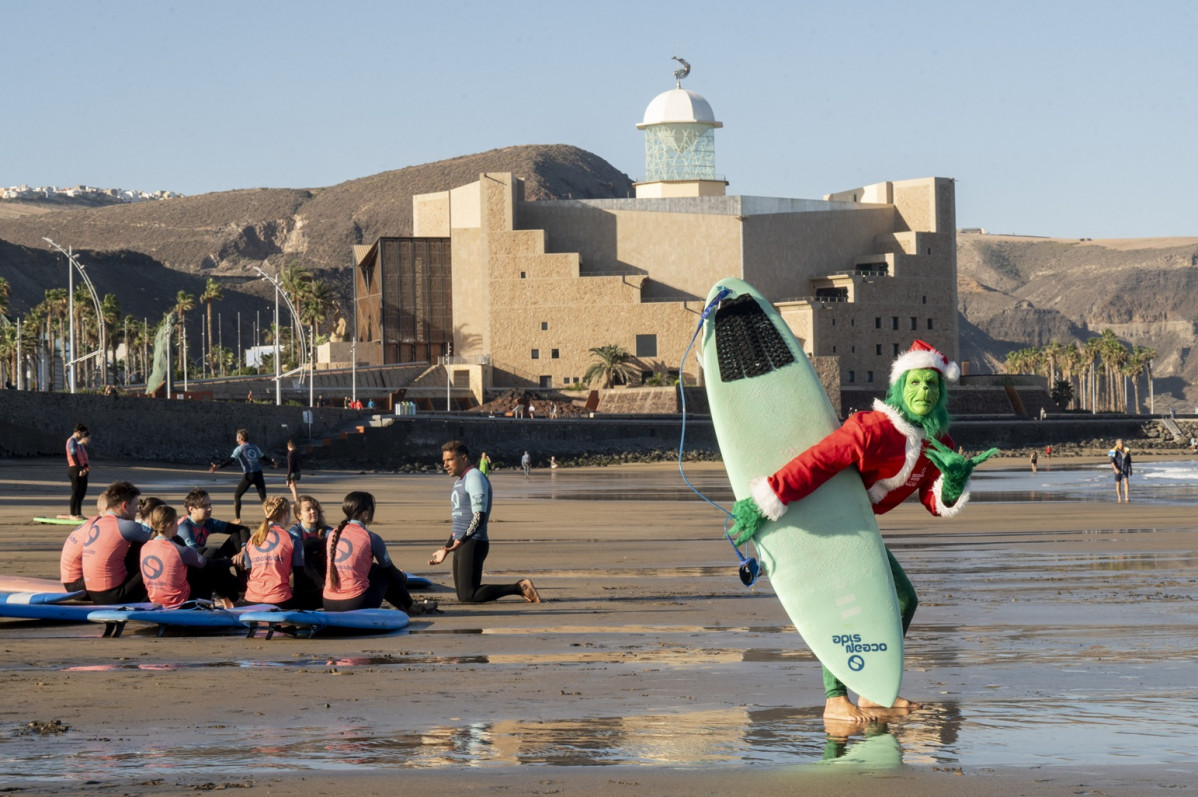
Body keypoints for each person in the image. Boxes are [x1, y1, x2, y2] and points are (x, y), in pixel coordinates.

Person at [729, 341, 996, 724]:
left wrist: (952, 484)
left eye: (932, 385)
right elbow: (819, 460)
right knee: (846, 605)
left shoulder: (938, 444)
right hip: (817, 511)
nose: (924, 392)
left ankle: (872, 688)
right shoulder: (870, 430)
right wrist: (767, 498)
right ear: (901, 386)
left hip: (857, 525)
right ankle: (835, 697)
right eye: (917, 383)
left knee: (903, 601)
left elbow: (933, 501)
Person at [428, 441, 541, 604]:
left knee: (470, 596)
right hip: (461, 542)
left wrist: (463, 540)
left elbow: (479, 517)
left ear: (464, 458)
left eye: (450, 460)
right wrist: (446, 548)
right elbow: (459, 521)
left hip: (474, 542)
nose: (445, 464)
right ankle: (518, 588)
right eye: (444, 460)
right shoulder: (459, 480)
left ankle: (519, 587)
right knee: (464, 595)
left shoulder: (474, 477)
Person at [324, 491, 435, 615]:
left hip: (328, 603)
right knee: (384, 572)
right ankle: (410, 606)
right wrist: (402, 577)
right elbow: (389, 570)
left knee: (373, 568)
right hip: (356, 604)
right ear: (365, 514)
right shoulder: (371, 538)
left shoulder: (332, 534)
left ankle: (408, 606)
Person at [59, 481, 153, 603]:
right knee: (153, 548)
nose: (137, 511)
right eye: (135, 506)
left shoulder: (96, 523)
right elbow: (162, 539)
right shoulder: (125, 526)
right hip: (108, 594)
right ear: (124, 506)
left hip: (92, 591)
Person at [140, 504, 237, 608]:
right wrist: (231, 561)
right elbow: (210, 564)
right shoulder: (179, 550)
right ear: (169, 525)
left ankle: (231, 600)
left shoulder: (145, 547)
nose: (178, 524)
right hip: (182, 603)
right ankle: (234, 600)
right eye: (176, 522)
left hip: (156, 599)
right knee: (213, 560)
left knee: (207, 552)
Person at [243, 496, 307, 608]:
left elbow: (250, 571)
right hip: (279, 601)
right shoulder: (292, 539)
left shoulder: (252, 539)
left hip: (251, 599)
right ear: (286, 514)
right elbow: (300, 578)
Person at [208, 428, 278, 522]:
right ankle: (269, 519)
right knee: (263, 499)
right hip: (258, 474)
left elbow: (231, 460)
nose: (236, 439)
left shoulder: (240, 448)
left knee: (237, 495)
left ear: (240, 438)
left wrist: (218, 466)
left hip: (249, 475)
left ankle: (237, 519)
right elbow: (264, 458)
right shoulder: (254, 447)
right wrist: (272, 463)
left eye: (237, 437)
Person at [176, 487, 252, 559]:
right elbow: (196, 557)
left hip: (201, 561)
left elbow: (243, 529)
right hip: (188, 567)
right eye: (204, 506)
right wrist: (226, 561)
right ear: (192, 509)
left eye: (210, 504)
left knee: (237, 536)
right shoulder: (184, 527)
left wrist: (243, 549)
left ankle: (244, 571)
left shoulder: (208, 522)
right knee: (213, 552)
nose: (209, 509)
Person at [288, 495, 333, 608]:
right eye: (308, 509)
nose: (313, 511)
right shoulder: (294, 532)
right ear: (299, 515)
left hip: (324, 572)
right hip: (302, 576)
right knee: (305, 548)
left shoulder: (327, 531)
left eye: (315, 508)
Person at [66, 424, 91, 520]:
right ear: (78, 432)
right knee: (75, 492)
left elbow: (82, 458)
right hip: (74, 469)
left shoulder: (76, 442)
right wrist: (80, 469)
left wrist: (85, 468)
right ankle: (72, 514)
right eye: (83, 433)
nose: (83, 436)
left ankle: (78, 513)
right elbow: (74, 457)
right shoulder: (71, 441)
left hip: (79, 468)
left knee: (80, 492)